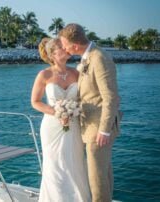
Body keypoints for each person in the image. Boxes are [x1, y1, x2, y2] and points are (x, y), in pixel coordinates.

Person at [59, 23, 120, 202]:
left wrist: (104, 130)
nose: (64, 48)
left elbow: (110, 97)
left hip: (98, 128)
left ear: (75, 45)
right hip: (92, 125)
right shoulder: (88, 57)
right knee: (103, 172)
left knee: (97, 178)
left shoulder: (99, 58)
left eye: (65, 45)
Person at [31, 37, 91, 202]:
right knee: (55, 166)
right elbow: (35, 102)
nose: (66, 49)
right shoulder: (44, 74)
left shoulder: (76, 73)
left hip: (74, 125)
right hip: (52, 127)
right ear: (52, 53)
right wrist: (57, 113)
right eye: (61, 47)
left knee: (75, 163)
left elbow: (85, 98)